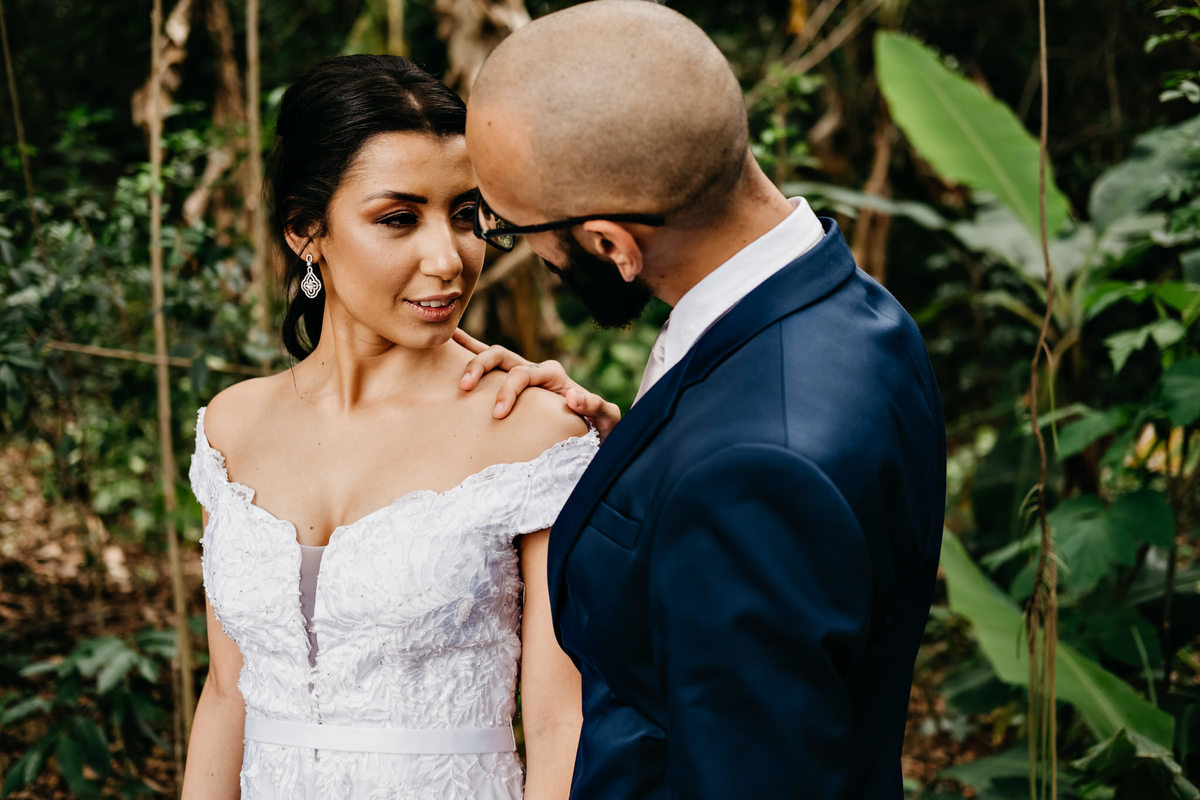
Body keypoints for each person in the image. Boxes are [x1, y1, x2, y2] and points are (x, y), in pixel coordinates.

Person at [462, 2, 948, 798]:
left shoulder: (751, 471)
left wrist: (691, 472)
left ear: (613, 244)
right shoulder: (854, 309)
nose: (519, 249)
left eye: (514, 228)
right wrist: (637, 455)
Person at [180, 54, 595, 800]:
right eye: (399, 219)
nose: (448, 258)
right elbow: (225, 693)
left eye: (466, 215)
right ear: (306, 232)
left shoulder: (533, 431)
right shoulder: (232, 427)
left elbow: (561, 721)